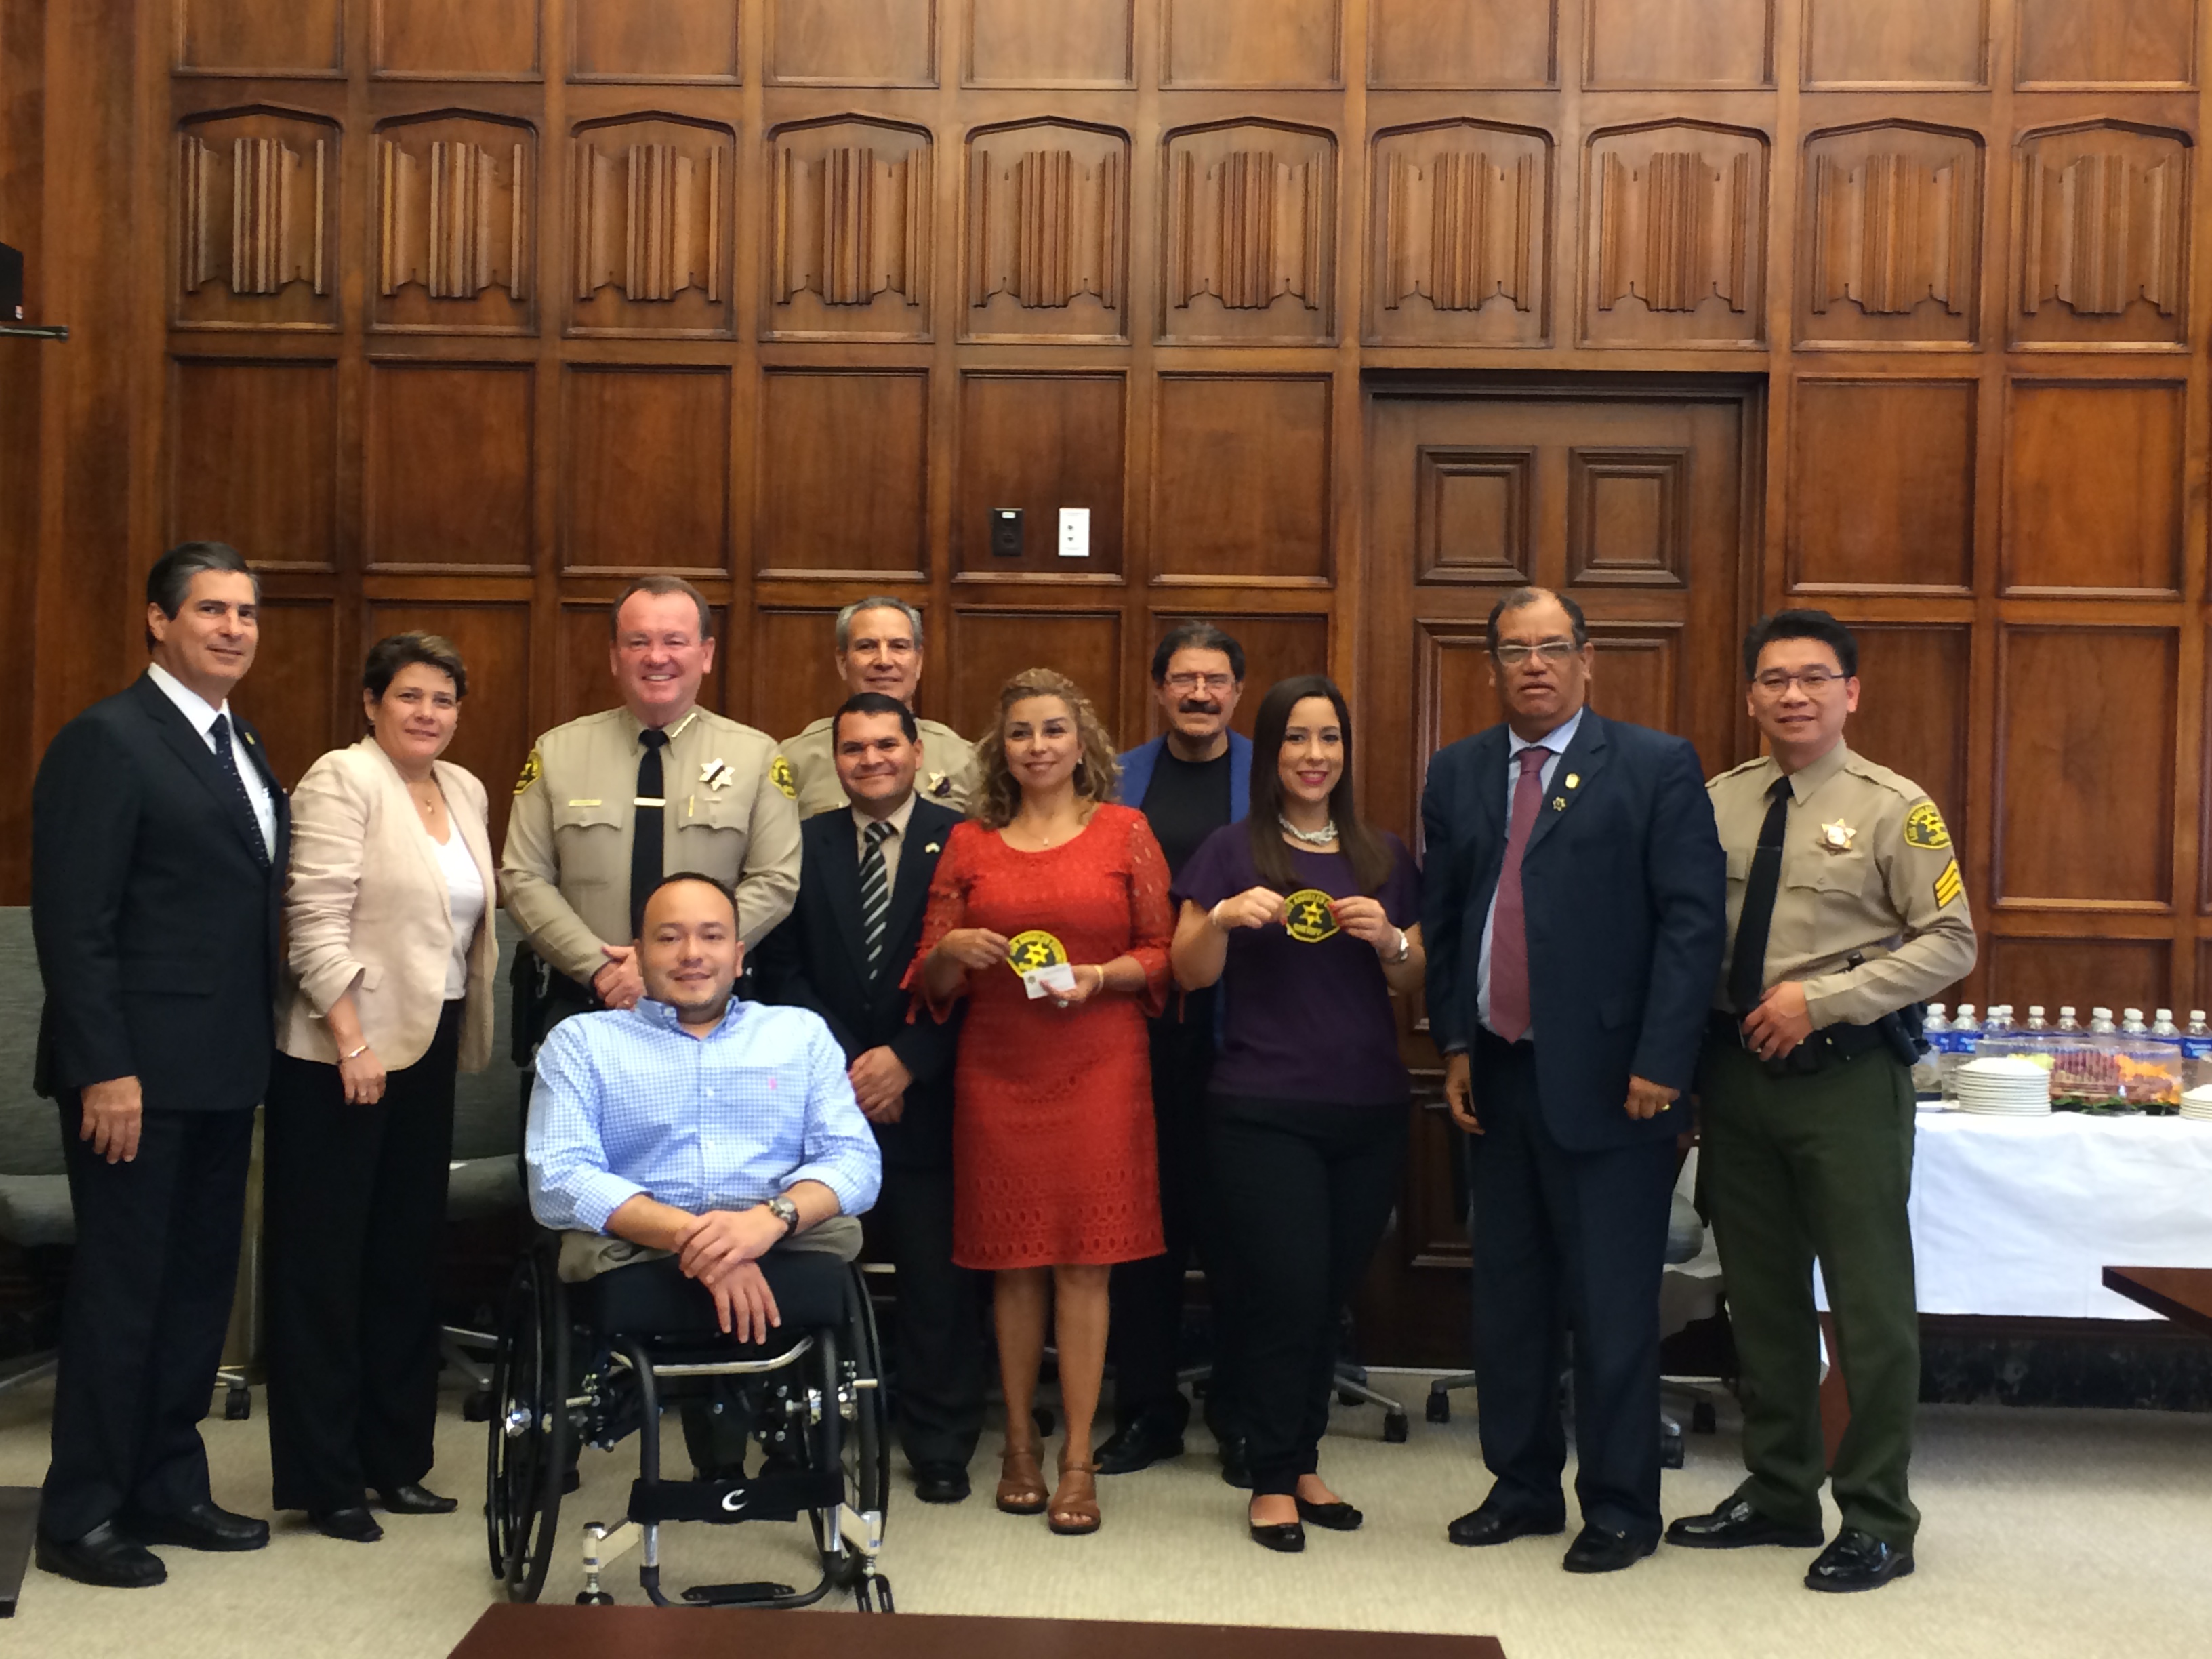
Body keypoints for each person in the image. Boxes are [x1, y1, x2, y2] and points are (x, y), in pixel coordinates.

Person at [1666, 611, 1975, 1593]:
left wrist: (1823, 999)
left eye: (1813, 678)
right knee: (1759, 1301)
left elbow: (1952, 941)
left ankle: (1880, 1516)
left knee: (1869, 1307)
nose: (1792, 695)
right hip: (1738, 1081)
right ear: (1750, 695)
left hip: (1847, 1080)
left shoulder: (1896, 807)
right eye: (1773, 679)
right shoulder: (1715, 803)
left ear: (1852, 692)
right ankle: (1781, 1491)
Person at [1420, 586, 1725, 1574]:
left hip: (1614, 1083)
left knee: (1611, 1307)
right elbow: (1456, 920)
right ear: (1492, 666)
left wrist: (1663, 1063)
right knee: (1507, 1303)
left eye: (1553, 648)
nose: (1535, 667)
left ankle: (1624, 1505)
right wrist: (1454, 1047)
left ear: (1588, 659)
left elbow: (1690, 927)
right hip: (1499, 1076)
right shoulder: (1460, 771)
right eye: (1514, 652)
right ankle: (1520, 1488)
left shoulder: (1652, 765)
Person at [29, 542, 288, 1588]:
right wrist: (105, 1069)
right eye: (211, 610)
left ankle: (168, 1485)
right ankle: (81, 1510)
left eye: (246, 613)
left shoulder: (242, 740)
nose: (233, 628)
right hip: (133, 1079)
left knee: (194, 1293)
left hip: (225, 1066)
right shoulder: (108, 740)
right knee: (124, 1294)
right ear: (157, 621)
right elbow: (75, 923)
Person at [909, 669, 1173, 1537]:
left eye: (1053, 731)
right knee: (1013, 1263)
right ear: (1001, 749)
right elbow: (929, 975)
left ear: (1082, 742)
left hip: (1100, 1063)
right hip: (999, 1067)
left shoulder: (1127, 832)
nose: (1037, 747)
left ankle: (1078, 1460)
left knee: (1084, 1265)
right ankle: (1019, 1443)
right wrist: (959, 948)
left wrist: (1099, 977)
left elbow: (1163, 955)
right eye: (1021, 733)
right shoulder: (969, 844)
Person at [1170, 676, 1424, 1553]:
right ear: (1270, 754)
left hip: (1368, 1107)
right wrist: (1226, 921)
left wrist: (1391, 940)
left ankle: (1303, 1459)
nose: (1314, 756)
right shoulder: (1230, 851)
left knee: (1325, 1298)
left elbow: (1410, 977)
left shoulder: (1382, 853)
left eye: (1329, 740)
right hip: (1260, 1108)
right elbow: (1188, 972)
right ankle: (1271, 1475)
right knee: (1284, 1291)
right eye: (1295, 740)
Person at [264, 634, 497, 1542]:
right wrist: (350, 1038)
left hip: (426, 1046)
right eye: (410, 696)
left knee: (403, 1258)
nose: (428, 714)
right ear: (371, 702)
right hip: (339, 1057)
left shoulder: (466, 789)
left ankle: (395, 1462)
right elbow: (313, 920)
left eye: (444, 699)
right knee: (326, 1268)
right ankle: (327, 1483)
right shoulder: (339, 780)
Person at [752, 693, 984, 1505]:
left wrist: (910, 1060)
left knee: (936, 1283)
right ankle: (794, 1439)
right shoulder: (799, 842)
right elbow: (779, 972)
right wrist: (856, 1068)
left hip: (934, 1093)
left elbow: (987, 980)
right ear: (835, 760)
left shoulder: (965, 841)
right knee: (806, 1269)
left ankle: (941, 1439)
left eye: (887, 745)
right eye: (854, 748)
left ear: (920, 752)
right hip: (823, 1099)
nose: (871, 760)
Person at [528, 872, 882, 1376]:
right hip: (640, 1249)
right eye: (669, 938)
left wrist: (766, 1222)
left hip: (782, 1238)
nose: (691, 953)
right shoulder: (581, 1042)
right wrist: (709, 1243)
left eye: (711, 936)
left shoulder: (799, 1034)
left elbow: (856, 1162)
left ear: (738, 956)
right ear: (638, 953)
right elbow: (558, 1180)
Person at [504, 575, 802, 1037]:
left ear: (705, 654)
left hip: (712, 1017)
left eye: (675, 641)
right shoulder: (557, 752)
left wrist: (678, 960)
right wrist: (603, 971)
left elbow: (776, 880)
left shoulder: (757, 757)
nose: (656, 657)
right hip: (588, 1007)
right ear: (614, 656)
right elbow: (524, 877)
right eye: (637, 641)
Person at [1101, 621, 1251, 1480]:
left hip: (1244, 1033)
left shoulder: (1271, 774)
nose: (1201, 694)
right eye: (1184, 679)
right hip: (1134, 1033)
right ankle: (1148, 1409)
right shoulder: (1117, 778)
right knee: (1140, 1233)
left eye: (1217, 681)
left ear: (1236, 691)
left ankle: (1236, 1412)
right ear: (1159, 689)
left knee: (1236, 1230)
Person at [780, 597, 975, 817]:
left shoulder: (964, 760)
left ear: (918, 662)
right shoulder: (795, 759)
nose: (884, 661)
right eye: (867, 647)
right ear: (843, 662)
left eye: (898, 646)